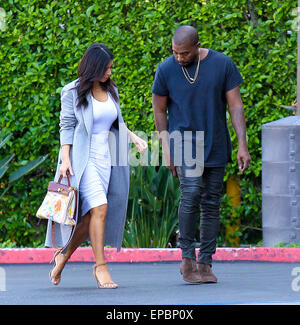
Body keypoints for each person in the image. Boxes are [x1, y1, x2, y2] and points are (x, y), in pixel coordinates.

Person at [152, 25, 251, 283]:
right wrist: (166, 149)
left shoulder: (222, 64)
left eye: (184, 53)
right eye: (174, 52)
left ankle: (205, 263)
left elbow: (236, 106)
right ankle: (187, 259)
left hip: (216, 141)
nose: (179, 58)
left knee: (211, 204)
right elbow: (160, 111)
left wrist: (242, 144)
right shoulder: (165, 70)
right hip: (184, 141)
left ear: (197, 46)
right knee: (192, 191)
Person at [45, 42, 147, 289]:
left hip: (106, 159)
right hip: (82, 159)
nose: (110, 72)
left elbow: (114, 123)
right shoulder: (72, 91)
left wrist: (133, 136)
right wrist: (65, 160)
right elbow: (66, 125)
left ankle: (63, 255)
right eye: (107, 68)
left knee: (92, 214)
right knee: (100, 207)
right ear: (93, 67)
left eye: (111, 67)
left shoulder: (112, 90)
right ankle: (100, 268)